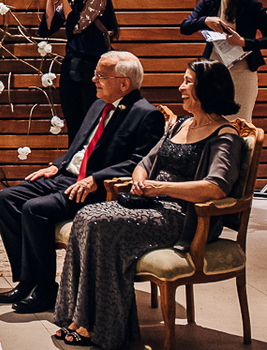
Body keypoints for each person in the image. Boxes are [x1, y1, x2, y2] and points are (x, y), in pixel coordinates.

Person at [54, 59, 245, 349]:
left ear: (207, 88)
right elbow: (145, 162)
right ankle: (79, 318)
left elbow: (215, 188)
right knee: (87, 216)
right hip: (151, 205)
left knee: (102, 224)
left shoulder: (224, 135)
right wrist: (142, 179)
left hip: (183, 216)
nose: (180, 87)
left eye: (187, 82)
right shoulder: (180, 125)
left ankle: (103, 327)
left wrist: (160, 187)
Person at [0, 50, 165, 314]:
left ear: (124, 83)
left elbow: (140, 162)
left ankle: (47, 290)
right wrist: (57, 164)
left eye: (101, 76)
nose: (94, 80)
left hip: (96, 189)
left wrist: (96, 178)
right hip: (67, 175)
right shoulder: (98, 104)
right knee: (5, 199)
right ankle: (28, 280)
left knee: (34, 209)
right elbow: (81, 147)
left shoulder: (146, 114)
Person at [39, 0, 120, 141]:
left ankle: (89, 164)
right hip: (72, 64)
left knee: (90, 122)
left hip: (93, 67)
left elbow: (76, 26)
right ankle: (73, 164)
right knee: (73, 121)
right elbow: (47, 28)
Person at [180, 0, 267, 121]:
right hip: (213, 70)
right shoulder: (209, 1)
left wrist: (243, 42)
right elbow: (185, 27)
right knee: (210, 117)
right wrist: (205, 20)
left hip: (243, 69)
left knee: (240, 120)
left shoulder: (252, 4)